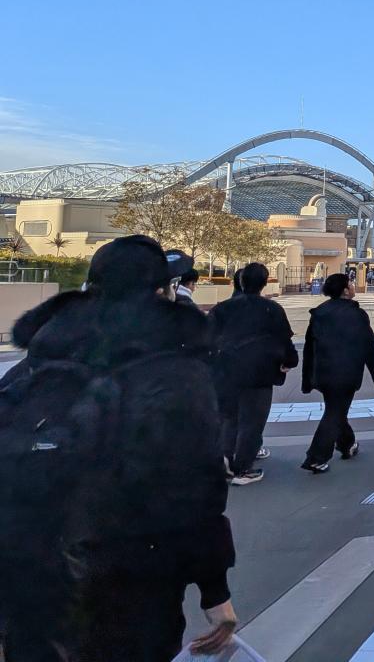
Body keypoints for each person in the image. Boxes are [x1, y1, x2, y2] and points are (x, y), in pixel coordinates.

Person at [0, 235, 237, 661]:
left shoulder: (38, 362)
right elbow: (196, 488)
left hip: (33, 575)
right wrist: (215, 591)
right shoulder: (177, 373)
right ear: (163, 292)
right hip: (135, 577)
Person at [208, 261, 298, 485]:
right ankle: (242, 469)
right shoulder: (271, 309)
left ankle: (225, 461)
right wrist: (289, 361)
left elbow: (206, 339)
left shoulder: (222, 308)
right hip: (259, 372)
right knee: (252, 422)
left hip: (225, 371)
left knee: (228, 418)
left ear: (240, 281)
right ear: (264, 283)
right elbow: (283, 339)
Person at [300, 273, 374, 473]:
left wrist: (307, 378)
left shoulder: (319, 313)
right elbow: (369, 347)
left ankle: (347, 444)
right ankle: (316, 457)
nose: (353, 286)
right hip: (346, 372)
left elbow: (309, 348)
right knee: (335, 412)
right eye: (351, 284)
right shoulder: (357, 315)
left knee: (336, 409)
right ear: (345, 291)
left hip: (323, 372)